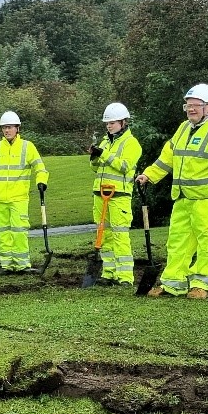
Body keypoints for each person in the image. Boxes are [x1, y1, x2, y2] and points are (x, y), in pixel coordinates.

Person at [136, 83, 208, 299]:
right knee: (177, 242)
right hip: (184, 197)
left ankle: (202, 284)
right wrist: (149, 175)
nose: (190, 109)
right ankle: (172, 284)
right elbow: (167, 157)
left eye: (195, 105)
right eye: (187, 105)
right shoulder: (183, 129)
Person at [0, 110, 49, 274]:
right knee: (3, 232)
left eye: (10, 127)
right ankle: (6, 265)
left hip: (18, 199)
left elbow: (40, 168)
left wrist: (41, 182)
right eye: (4, 127)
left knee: (19, 231)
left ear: (17, 128)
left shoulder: (28, 147)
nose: (7, 130)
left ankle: (22, 265)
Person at [86, 102, 143, 286]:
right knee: (104, 234)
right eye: (107, 123)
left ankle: (125, 277)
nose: (109, 126)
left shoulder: (131, 143)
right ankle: (108, 273)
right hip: (100, 195)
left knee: (120, 235)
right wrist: (94, 157)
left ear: (123, 122)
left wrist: (104, 155)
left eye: (113, 122)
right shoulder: (104, 142)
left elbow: (125, 166)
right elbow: (95, 169)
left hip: (118, 196)